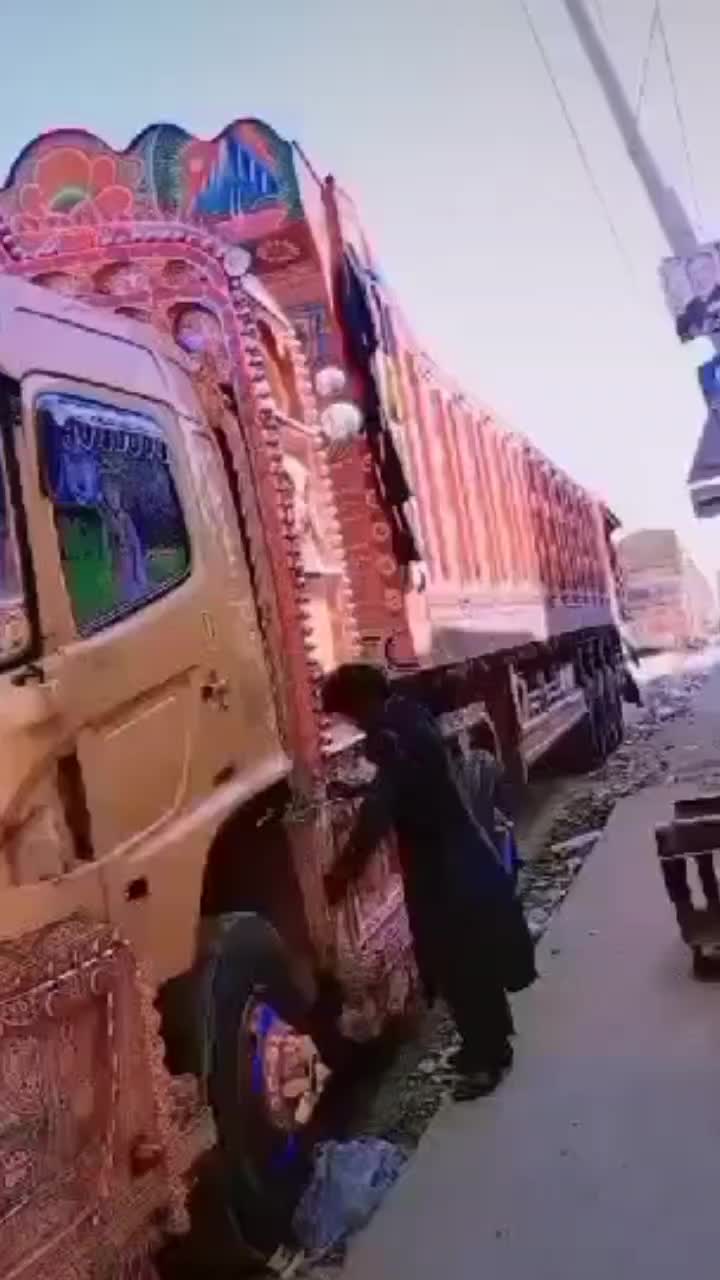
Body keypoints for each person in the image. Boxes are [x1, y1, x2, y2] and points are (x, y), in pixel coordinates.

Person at [322, 663, 536, 1101]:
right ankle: (488, 1045)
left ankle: (487, 1059)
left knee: (461, 965)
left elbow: (383, 805)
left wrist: (342, 871)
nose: (354, 724)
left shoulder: (393, 735)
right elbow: (403, 782)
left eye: (350, 714)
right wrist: (357, 792)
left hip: (447, 869)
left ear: (362, 701)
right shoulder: (407, 717)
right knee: (467, 961)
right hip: (456, 860)